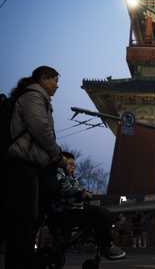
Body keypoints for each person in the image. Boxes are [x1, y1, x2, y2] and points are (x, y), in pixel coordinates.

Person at [4, 66, 63, 269]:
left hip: (29, 164)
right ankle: (20, 262)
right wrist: (57, 155)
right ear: (43, 78)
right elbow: (41, 129)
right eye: (55, 80)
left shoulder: (35, 97)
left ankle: (21, 260)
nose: (57, 85)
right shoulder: (33, 97)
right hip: (23, 164)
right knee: (24, 219)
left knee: (28, 217)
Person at [53, 152, 126, 260]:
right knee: (99, 213)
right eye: (70, 164)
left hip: (74, 208)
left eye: (74, 165)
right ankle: (106, 245)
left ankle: (109, 227)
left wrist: (85, 192)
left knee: (101, 213)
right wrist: (81, 193)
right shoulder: (59, 174)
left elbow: (76, 189)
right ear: (62, 164)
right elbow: (65, 188)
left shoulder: (71, 178)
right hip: (68, 210)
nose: (73, 167)